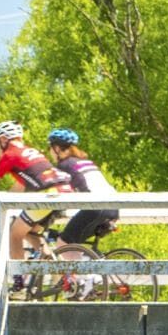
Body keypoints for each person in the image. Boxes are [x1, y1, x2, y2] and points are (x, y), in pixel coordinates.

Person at [0, 121, 73, 268]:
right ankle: (62, 274)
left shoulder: (9, 155)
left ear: (3, 139)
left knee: (14, 234)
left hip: (48, 195)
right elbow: (20, 187)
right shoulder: (30, 152)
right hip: (64, 190)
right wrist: (6, 204)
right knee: (30, 232)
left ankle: (18, 279)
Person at [46, 129, 123, 301]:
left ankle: (85, 282)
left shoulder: (64, 165)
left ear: (57, 148)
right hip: (114, 208)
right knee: (77, 242)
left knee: (63, 242)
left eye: (50, 148)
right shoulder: (85, 162)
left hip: (95, 206)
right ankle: (92, 275)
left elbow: (67, 190)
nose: (50, 152)